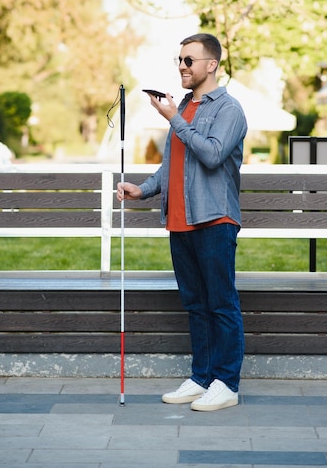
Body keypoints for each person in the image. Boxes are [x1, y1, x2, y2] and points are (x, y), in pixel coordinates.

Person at [117, 33, 248, 412]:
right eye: (179, 60)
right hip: (180, 220)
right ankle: (202, 377)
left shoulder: (228, 109)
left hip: (214, 219)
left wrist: (174, 119)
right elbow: (172, 167)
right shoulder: (184, 108)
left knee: (221, 303)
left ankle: (227, 383)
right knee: (195, 304)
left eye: (189, 60)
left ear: (212, 65)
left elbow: (211, 155)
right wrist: (142, 190)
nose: (181, 67)